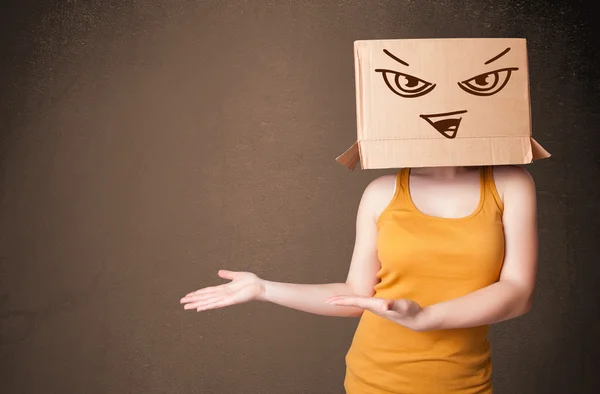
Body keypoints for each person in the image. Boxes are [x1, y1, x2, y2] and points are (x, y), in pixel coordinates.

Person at [180, 163, 539, 393]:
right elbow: (355, 295)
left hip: (462, 381)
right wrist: (263, 288)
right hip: (373, 378)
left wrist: (426, 317)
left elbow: (518, 291)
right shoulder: (382, 191)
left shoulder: (509, 183)